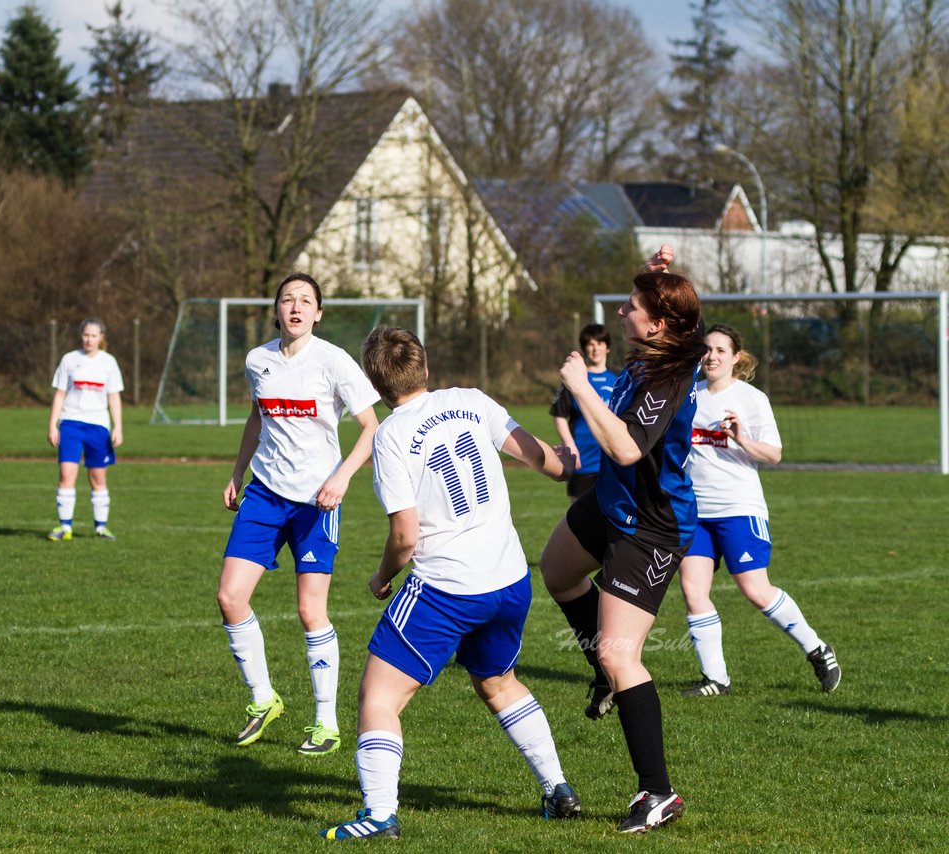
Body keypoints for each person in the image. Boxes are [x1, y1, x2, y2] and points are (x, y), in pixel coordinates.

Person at [320, 326, 579, 841]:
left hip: (447, 588)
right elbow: (545, 461)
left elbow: (404, 536)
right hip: (508, 579)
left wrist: (381, 576)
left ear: (376, 383)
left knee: (377, 697)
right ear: (426, 367)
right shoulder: (470, 400)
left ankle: (378, 816)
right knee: (498, 682)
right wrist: (574, 460)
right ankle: (558, 788)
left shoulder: (391, 436)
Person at [538, 245, 705, 834]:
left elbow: (628, 447)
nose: (622, 309)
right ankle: (603, 674)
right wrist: (658, 275)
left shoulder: (670, 371)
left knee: (620, 653)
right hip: (612, 502)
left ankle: (657, 793)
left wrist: (581, 387)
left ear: (658, 325)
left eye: (634, 305)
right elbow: (683, 315)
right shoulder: (659, 341)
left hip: (651, 526)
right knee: (557, 570)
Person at [218, 272, 380, 757]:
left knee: (311, 612)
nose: (295, 306)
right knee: (230, 597)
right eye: (287, 299)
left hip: (316, 501)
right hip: (264, 495)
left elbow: (372, 426)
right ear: (276, 309)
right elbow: (256, 417)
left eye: (305, 300)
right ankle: (263, 699)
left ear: (318, 312)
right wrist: (237, 471)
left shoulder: (333, 361)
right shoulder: (258, 360)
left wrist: (342, 477)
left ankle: (326, 723)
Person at [679, 323, 840, 697]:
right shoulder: (689, 396)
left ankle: (817, 649)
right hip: (695, 510)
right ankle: (716, 679)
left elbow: (775, 454)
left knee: (755, 589)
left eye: (721, 350)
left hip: (739, 507)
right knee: (693, 589)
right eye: (707, 350)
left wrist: (740, 437)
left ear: (736, 357)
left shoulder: (752, 399)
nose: (712, 357)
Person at [47, 318, 124, 541]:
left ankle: (101, 527)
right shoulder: (70, 360)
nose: (88, 339)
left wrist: (118, 426)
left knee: (98, 477)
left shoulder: (109, 363)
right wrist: (53, 424)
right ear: (81, 336)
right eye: (85, 335)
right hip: (71, 423)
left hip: (98, 426)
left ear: (101, 338)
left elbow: (114, 396)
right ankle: (65, 527)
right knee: (66, 473)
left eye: (93, 335)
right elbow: (60, 393)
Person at [550, 323, 619, 502]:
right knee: (578, 518)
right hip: (583, 459)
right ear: (584, 348)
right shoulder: (575, 379)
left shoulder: (619, 379)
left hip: (612, 459)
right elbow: (559, 414)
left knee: (611, 516)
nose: (595, 348)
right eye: (590, 344)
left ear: (608, 347)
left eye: (600, 343)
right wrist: (570, 444)